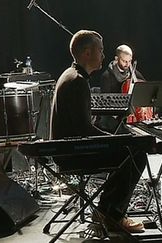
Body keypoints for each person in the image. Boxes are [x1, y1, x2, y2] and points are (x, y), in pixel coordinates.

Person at [50, 30, 146, 234]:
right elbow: (85, 130)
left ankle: (106, 211)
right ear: (86, 52)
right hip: (72, 153)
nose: (103, 55)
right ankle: (111, 214)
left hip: (68, 148)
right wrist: (117, 141)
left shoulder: (72, 75)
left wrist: (116, 140)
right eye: (100, 50)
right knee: (135, 153)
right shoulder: (77, 81)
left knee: (128, 149)